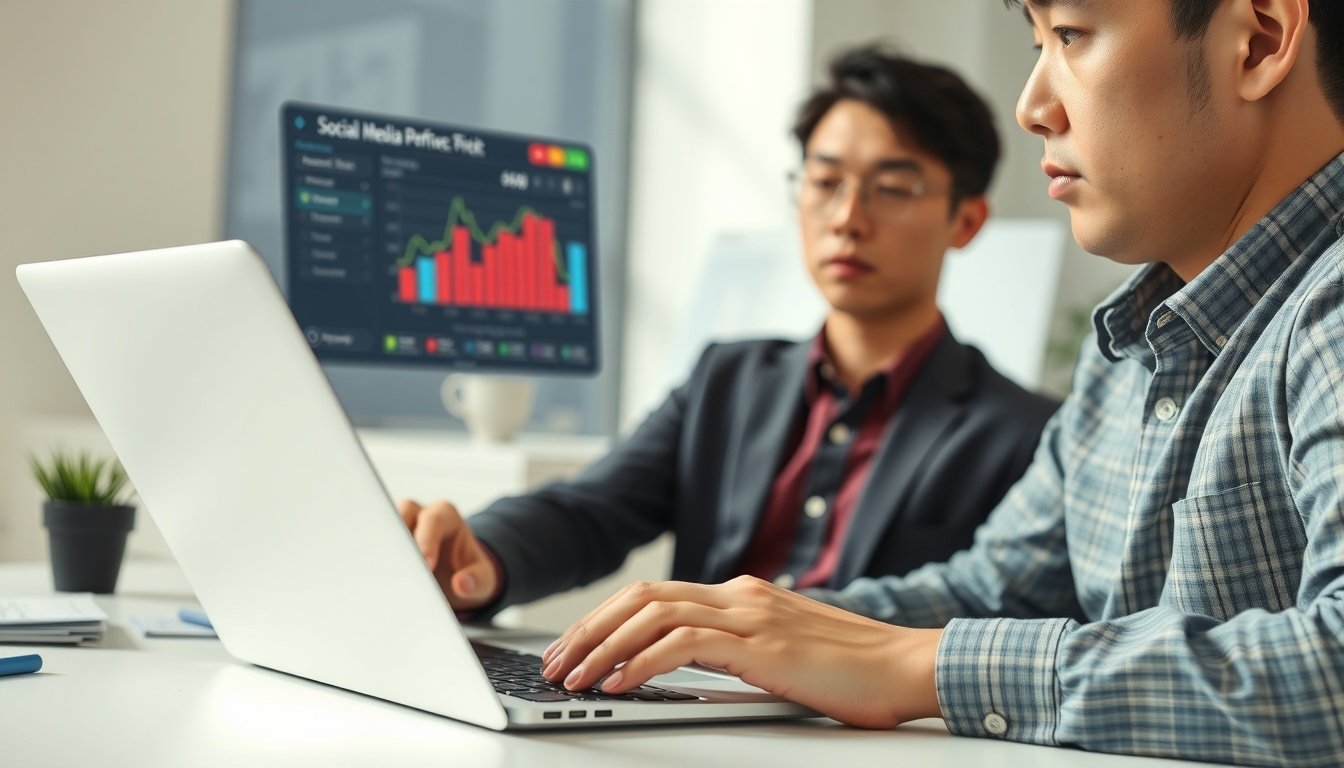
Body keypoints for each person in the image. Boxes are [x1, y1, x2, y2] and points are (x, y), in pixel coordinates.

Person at [539, 1, 1344, 765]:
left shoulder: (1328, 311)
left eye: (1071, 34)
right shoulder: (1123, 352)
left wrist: (917, 665)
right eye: (1037, 43)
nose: (1032, 107)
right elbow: (996, 588)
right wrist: (749, 627)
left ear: (1259, 41)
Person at [400, 47, 1058, 619]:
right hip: (692, 700)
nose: (847, 218)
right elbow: (592, 511)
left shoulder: (1023, 433)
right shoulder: (727, 380)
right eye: (825, 182)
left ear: (966, 220)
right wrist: (480, 554)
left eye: (891, 188)